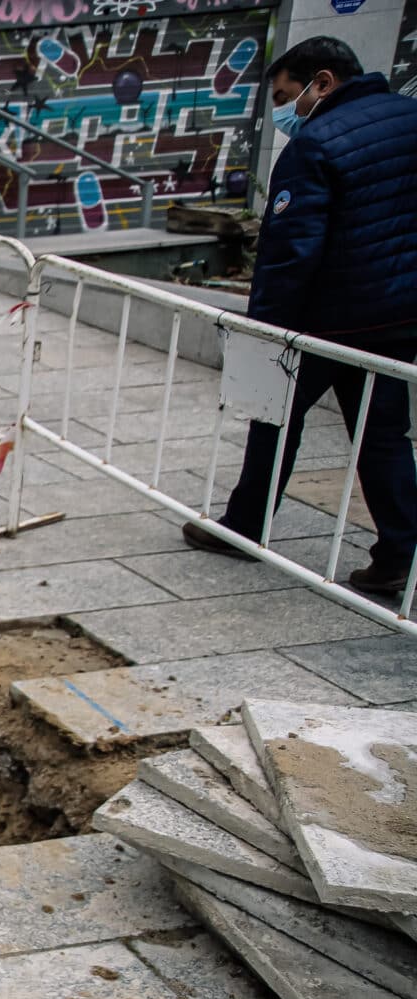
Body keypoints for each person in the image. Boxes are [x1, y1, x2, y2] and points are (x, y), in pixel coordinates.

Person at [181, 36, 417, 599]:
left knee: (274, 417)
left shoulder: (316, 145)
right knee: (383, 434)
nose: (289, 109)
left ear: (323, 82)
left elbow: (291, 250)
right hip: (399, 313)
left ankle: (244, 528)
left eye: (289, 94)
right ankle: (396, 558)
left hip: (327, 319)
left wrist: (263, 329)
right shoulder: (411, 118)